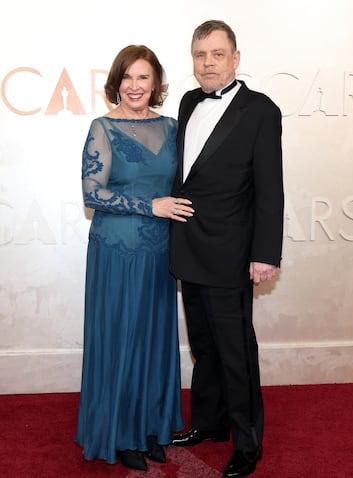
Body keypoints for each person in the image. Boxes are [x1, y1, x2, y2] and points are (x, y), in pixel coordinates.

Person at [169, 20, 284, 478]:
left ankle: (247, 442)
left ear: (236, 58)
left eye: (217, 54)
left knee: (236, 351)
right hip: (188, 247)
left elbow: (270, 190)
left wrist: (266, 253)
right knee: (204, 347)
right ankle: (210, 423)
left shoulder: (260, 110)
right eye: (200, 55)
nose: (208, 62)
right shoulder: (188, 101)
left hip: (232, 252)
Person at [75, 45, 194, 472]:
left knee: (153, 340)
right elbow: (92, 193)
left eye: (143, 77)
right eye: (127, 78)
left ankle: (150, 427)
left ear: (155, 83)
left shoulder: (173, 127)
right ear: (116, 83)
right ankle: (120, 431)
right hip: (117, 251)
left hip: (161, 252)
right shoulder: (102, 128)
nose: (134, 86)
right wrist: (150, 206)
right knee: (121, 336)